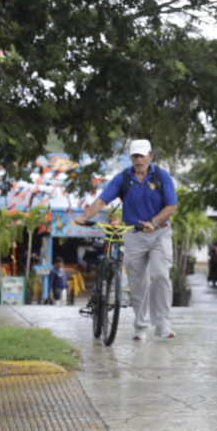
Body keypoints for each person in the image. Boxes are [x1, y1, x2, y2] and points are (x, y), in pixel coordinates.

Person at [78, 139, 179, 341]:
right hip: (133, 234)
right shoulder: (123, 178)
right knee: (137, 281)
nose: (139, 160)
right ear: (131, 158)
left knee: (160, 275)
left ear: (150, 156)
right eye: (135, 156)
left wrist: (153, 221)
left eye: (142, 155)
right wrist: (85, 217)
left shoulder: (161, 176)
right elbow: (101, 200)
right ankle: (141, 326)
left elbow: (171, 207)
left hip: (160, 232)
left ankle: (162, 324)